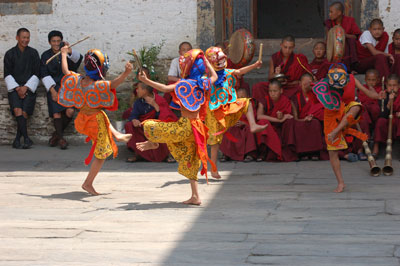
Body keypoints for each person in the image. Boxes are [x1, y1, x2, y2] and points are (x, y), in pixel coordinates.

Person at [136, 49, 218, 205]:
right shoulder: (203, 83)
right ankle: (195, 196)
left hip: (186, 126)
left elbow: (165, 89)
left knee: (150, 126)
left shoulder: (184, 83)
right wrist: (208, 64)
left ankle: (154, 142)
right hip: (197, 128)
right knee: (190, 159)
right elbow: (214, 76)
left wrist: (146, 81)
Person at [58, 46, 132, 195]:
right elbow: (113, 84)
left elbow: (66, 71)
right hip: (94, 122)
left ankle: (116, 134)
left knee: (101, 113)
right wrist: (126, 73)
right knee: (102, 153)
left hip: (82, 119)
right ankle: (88, 183)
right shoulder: (97, 86)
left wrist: (64, 54)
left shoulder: (77, 81)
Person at [312, 64, 379, 192]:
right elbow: (319, 93)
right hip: (332, 113)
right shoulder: (326, 83)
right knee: (333, 152)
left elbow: (369, 94)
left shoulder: (352, 79)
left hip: (347, 108)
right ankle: (341, 183)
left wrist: (378, 95)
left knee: (356, 106)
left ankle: (336, 131)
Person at [204, 46, 267, 178]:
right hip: (214, 111)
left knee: (247, 102)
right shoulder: (209, 77)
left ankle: (253, 125)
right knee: (215, 142)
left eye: (222, 59)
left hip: (228, 107)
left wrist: (255, 65)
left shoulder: (227, 72)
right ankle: (213, 169)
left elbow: (239, 71)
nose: (221, 62)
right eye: (218, 60)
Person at [40, 30, 83, 149]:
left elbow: (78, 60)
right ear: (49, 42)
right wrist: (53, 91)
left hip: (67, 86)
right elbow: (44, 74)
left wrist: (69, 51)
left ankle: (56, 135)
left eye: (58, 41)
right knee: (57, 113)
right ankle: (62, 139)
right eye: (53, 41)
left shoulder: (65, 52)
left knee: (70, 111)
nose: (56, 43)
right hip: (53, 86)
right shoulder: (45, 56)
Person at [4, 28, 40, 149]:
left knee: (24, 113)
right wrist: (18, 88)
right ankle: (26, 138)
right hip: (15, 88)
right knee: (17, 110)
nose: (26, 40)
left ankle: (17, 139)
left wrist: (25, 87)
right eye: (23, 37)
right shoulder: (10, 54)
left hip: (29, 87)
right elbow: (7, 74)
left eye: (28, 37)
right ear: (17, 38)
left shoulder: (33, 53)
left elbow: (37, 73)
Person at [125, 82, 177, 162]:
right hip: (143, 127)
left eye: (138, 89)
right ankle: (138, 153)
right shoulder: (139, 102)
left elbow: (166, 116)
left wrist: (155, 105)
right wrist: (134, 120)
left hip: (157, 125)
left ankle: (167, 154)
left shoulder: (159, 100)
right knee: (129, 125)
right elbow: (133, 115)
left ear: (145, 90)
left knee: (166, 127)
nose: (137, 91)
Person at [256, 80, 297, 162]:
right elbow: (259, 116)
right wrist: (278, 120)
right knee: (262, 123)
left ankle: (287, 151)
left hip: (280, 129)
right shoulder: (264, 101)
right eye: (270, 91)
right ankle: (263, 153)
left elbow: (288, 115)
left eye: (275, 91)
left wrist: (281, 116)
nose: (272, 93)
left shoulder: (285, 100)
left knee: (290, 121)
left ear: (281, 91)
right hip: (269, 127)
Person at [291, 73, 325, 160]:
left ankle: (315, 152)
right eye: (304, 83)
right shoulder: (295, 98)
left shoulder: (317, 96)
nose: (306, 85)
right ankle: (303, 153)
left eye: (309, 83)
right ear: (300, 83)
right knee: (299, 125)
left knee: (315, 123)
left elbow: (321, 109)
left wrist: (313, 116)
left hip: (314, 119)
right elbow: (295, 118)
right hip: (301, 120)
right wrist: (304, 119)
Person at [219, 88, 258, 162]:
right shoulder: (233, 106)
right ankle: (226, 154)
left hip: (246, 127)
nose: (241, 99)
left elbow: (254, 120)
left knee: (250, 130)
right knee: (229, 130)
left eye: (243, 97)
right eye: (239, 97)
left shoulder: (250, 105)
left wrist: (244, 123)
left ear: (248, 97)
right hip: (235, 127)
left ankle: (249, 154)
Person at [324, 1, 361, 69]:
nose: (329, 14)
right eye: (329, 12)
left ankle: (351, 67)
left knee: (349, 40)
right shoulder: (329, 23)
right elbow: (328, 40)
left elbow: (356, 37)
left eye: (331, 12)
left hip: (347, 49)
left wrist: (343, 35)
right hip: (334, 51)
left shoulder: (350, 21)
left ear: (339, 13)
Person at [372, 74, 400, 157]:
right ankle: (375, 148)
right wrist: (388, 105)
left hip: (397, 121)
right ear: (386, 86)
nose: (392, 88)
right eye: (390, 85)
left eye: (394, 85)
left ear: (398, 86)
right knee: (380, 121)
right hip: (388, 122)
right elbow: (382, 115)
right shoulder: (384, 96)